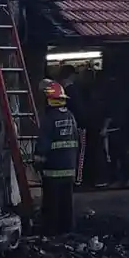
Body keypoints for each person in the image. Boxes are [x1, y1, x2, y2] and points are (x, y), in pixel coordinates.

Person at [34, 79, 80, 236]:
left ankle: (51, 232)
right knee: (67, 203)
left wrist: (37, 163)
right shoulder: (71, 117)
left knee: (51, 204)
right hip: (69, 169)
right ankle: (68, 231)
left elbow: (43, 145)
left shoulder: (49, 119)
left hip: (53, 171)